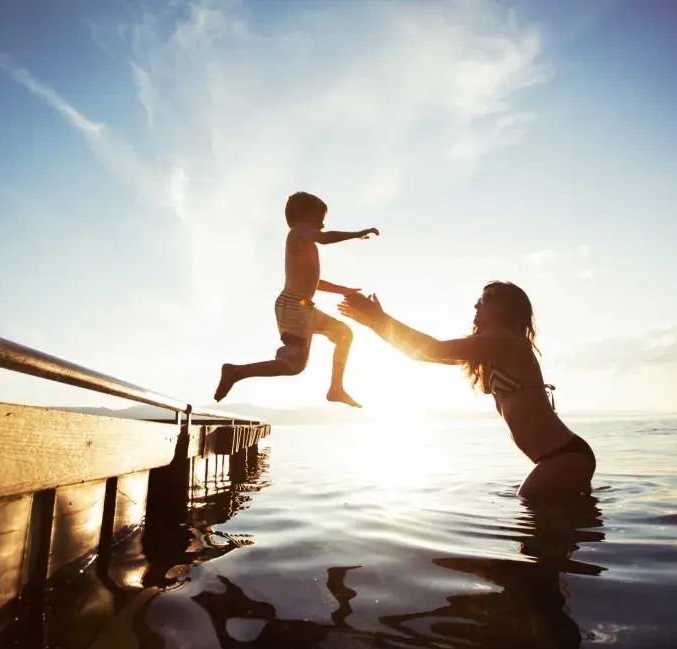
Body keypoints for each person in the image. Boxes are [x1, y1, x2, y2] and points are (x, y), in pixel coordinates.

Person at [337, 281, 596, 499]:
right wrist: (373, 323)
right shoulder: (492, 345)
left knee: (532, 511)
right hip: (559, 458)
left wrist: (379, 318)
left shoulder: (505, 341)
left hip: (563, 457)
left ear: (504, 308)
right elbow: (421, 355)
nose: (476, 305)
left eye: (484, 300)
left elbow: (433, 348)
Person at [214, 192, 379, 407]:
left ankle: (336, 388)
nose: (322, 224)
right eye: (319, 218)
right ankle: (235, 372)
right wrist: (357, 234)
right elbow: (326, 238)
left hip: (301, 306)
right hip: (293, 305)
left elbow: (315, 281)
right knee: (294, 365)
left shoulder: (304, 244)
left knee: (343, 334)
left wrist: (343, 290)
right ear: (302, 215)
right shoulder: (298, 233)